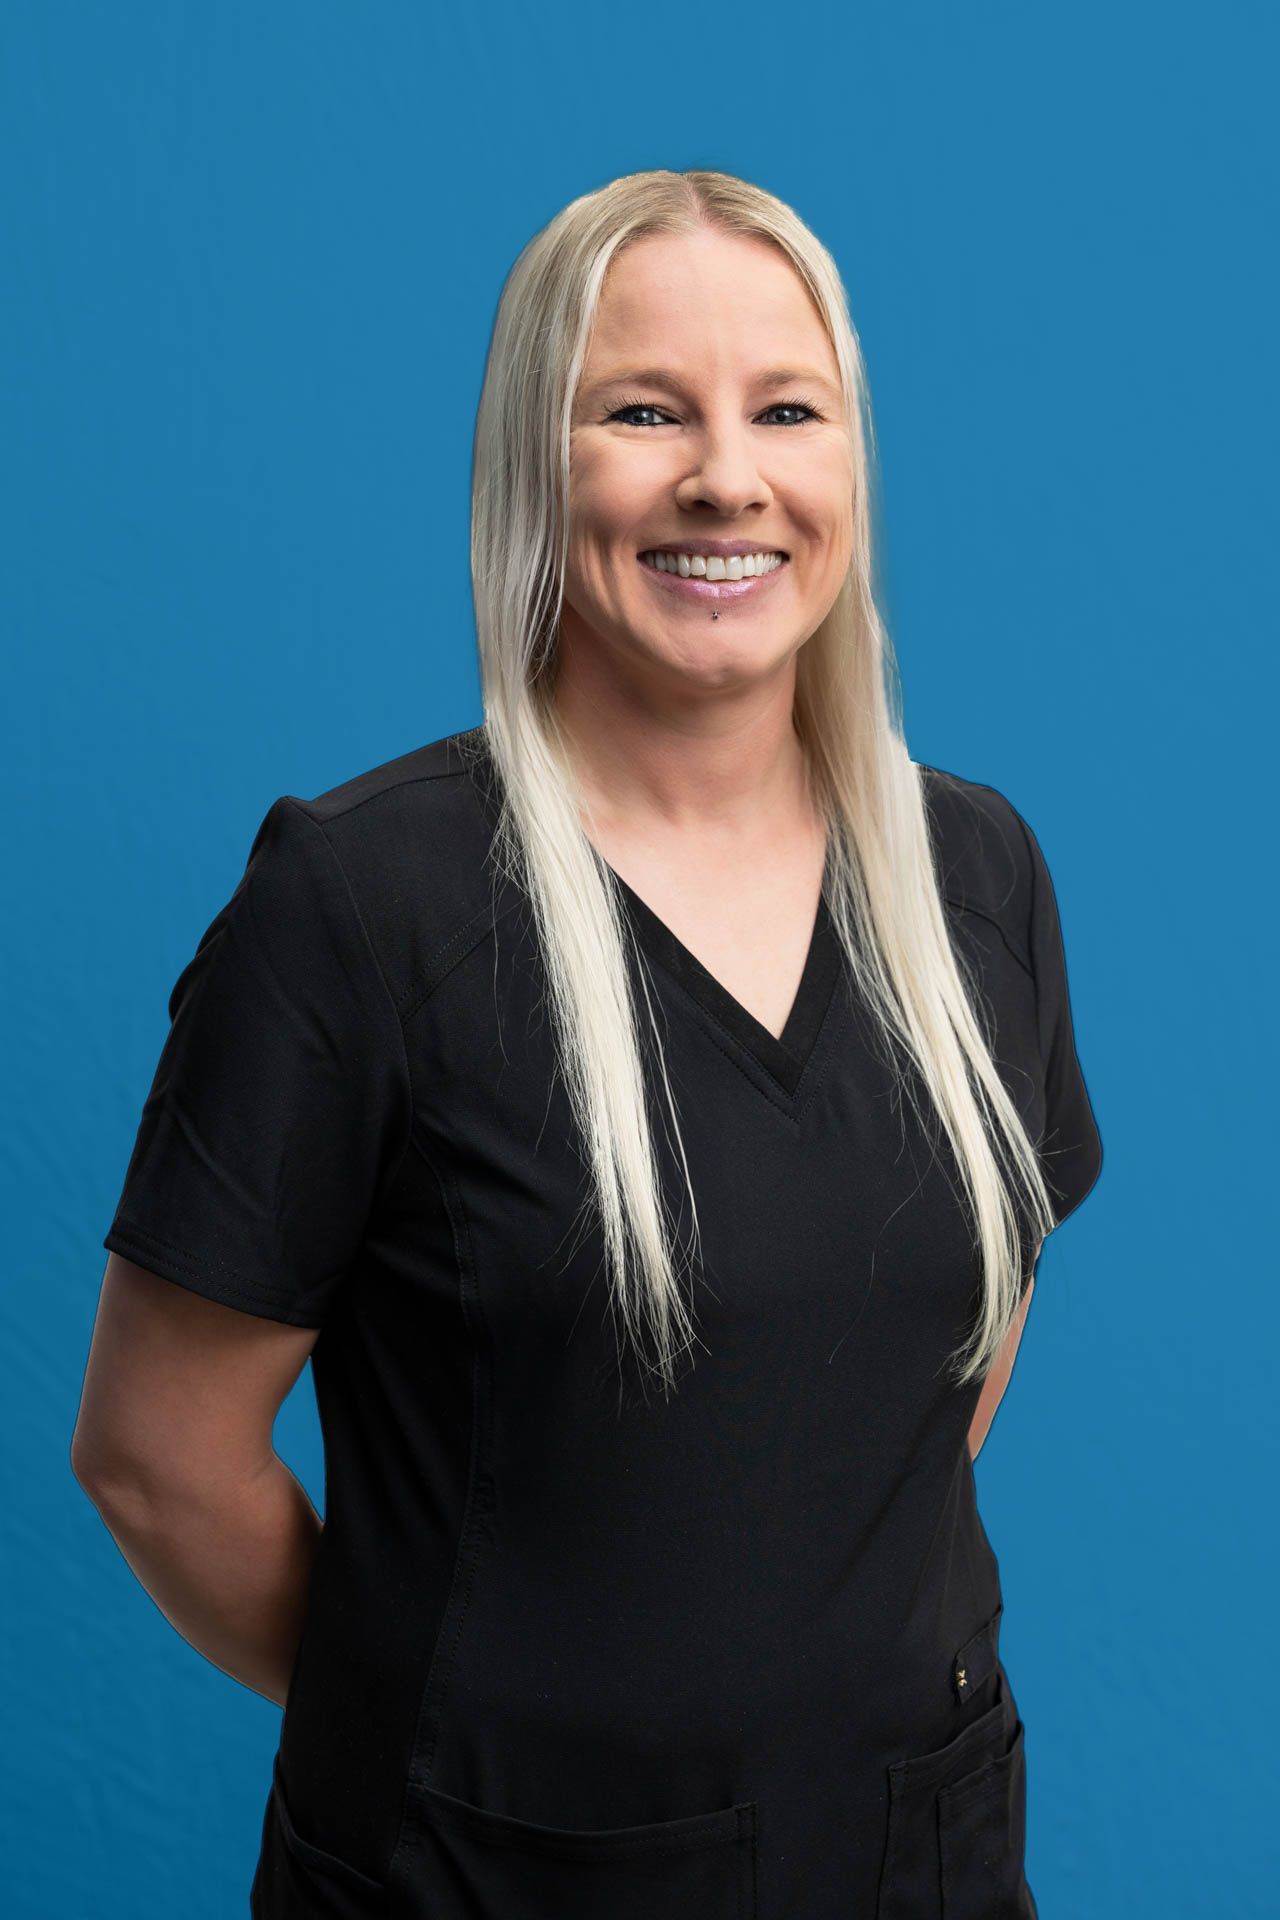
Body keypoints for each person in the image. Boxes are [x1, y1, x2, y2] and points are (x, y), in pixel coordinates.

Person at [72, 168, 1101, 1919]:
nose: (727, 477)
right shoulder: (361, 907)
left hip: (916, 1853)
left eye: (787, 410)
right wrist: (464, 1732)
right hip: (489, 1880)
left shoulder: (974, 874)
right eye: (643, 411)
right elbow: (158, 1462)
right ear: (531, 467)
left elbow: (944, 1361)